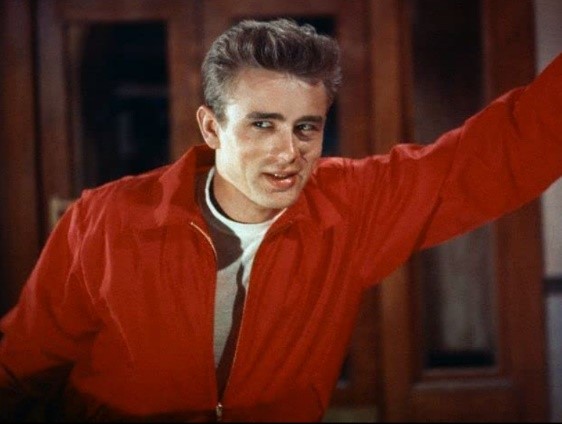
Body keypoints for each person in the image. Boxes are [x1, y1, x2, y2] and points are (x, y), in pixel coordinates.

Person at [1, 17, 561, 422]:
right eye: (263, 125)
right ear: (212, 128)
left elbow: (502, 150)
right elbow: (20, 365)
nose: (288, 153)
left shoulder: (350, 207)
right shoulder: (105, 218)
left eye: (305, 128)